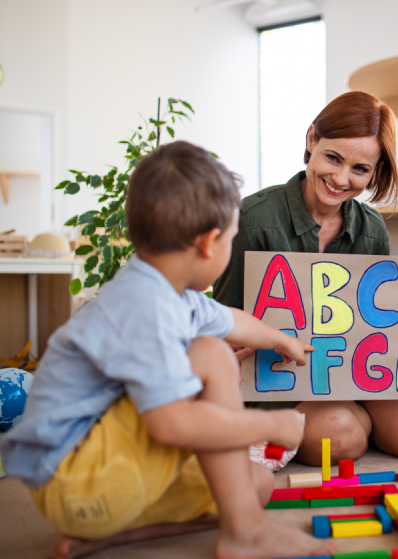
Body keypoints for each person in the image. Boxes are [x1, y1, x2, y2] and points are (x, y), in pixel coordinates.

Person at [0, 142, 334, 559]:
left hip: (102, 494)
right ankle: (245, 533)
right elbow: (172, 426)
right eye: (231, 239)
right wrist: (271, 426)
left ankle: (114, 537)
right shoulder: (147, 309)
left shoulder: (160, 287)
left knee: (254, 485)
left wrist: (284, 341)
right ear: (210, 243)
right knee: (210, 354)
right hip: (78, 480)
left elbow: (231, 319)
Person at [213, 91, 398, 465]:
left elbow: (375, 330)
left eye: (360, 169)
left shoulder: (371, 229)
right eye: (333, 158)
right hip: (279, 383)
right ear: (311, 140)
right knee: (341, 439)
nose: (340, 179)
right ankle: (369, 421)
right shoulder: (252, 220)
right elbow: (221, 322)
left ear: (375, 172)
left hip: (351, 377)